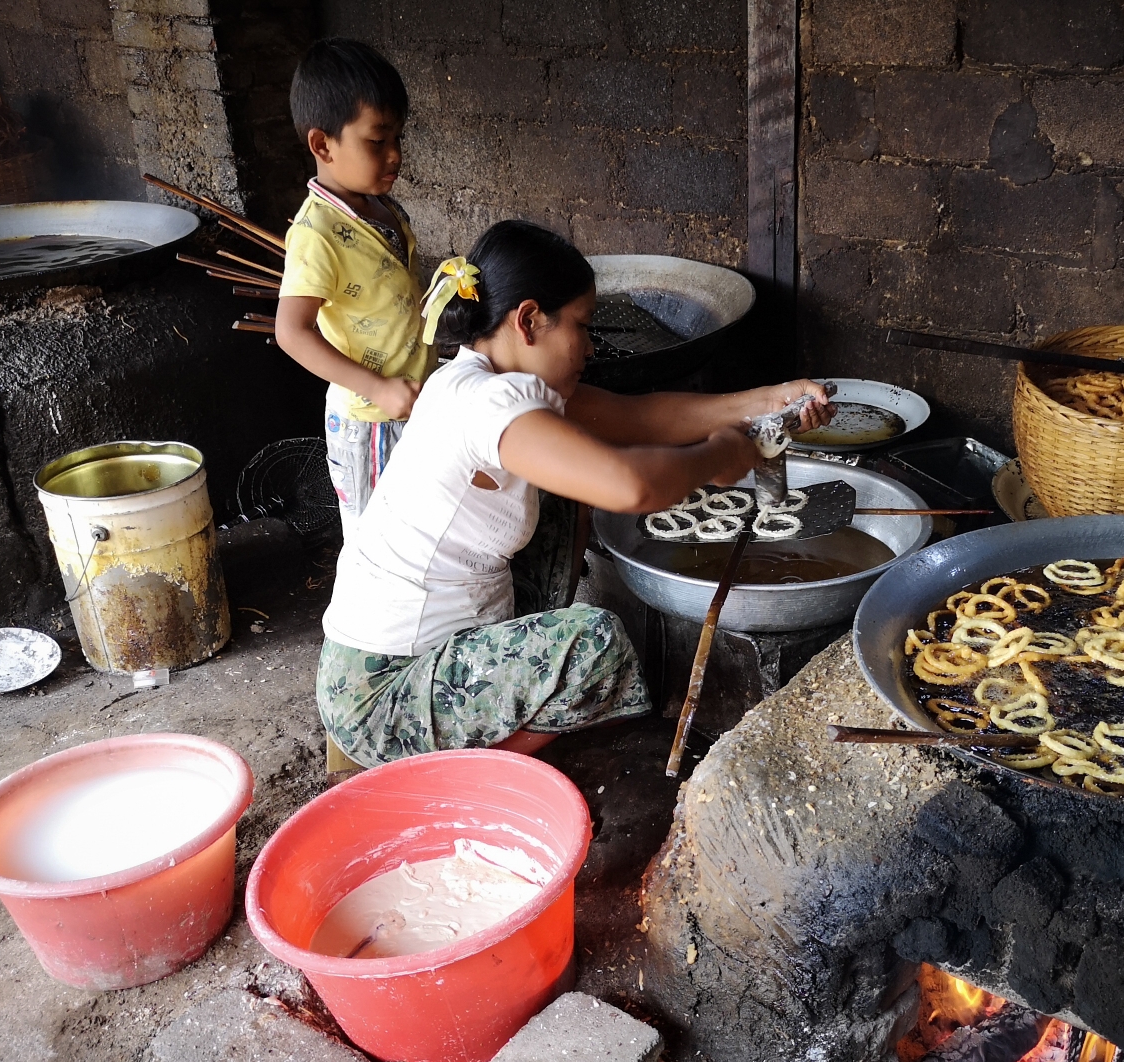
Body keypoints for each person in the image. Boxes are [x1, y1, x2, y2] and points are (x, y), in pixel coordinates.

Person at [318, 219, 834, 765]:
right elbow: (631, 485)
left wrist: (774, 399)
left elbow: (640, 418)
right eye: (583, 326)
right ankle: (479, 771)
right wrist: (718, 458)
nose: (590, 345)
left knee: (565, 490)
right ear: (529, 320)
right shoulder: (488, 405)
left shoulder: (473, 378)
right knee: (594, 643)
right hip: (382, 695)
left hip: (407, 656)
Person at [275, 38, 433, 539]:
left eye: (398, 139)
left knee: (416, 533)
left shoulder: (383, 210)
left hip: (409, 401)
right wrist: (378, 388)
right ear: (323, 145)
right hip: (369, 420)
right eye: (377, 140)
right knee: (376, 548)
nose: (395, 155)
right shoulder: (315, 234)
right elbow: (291, 332)